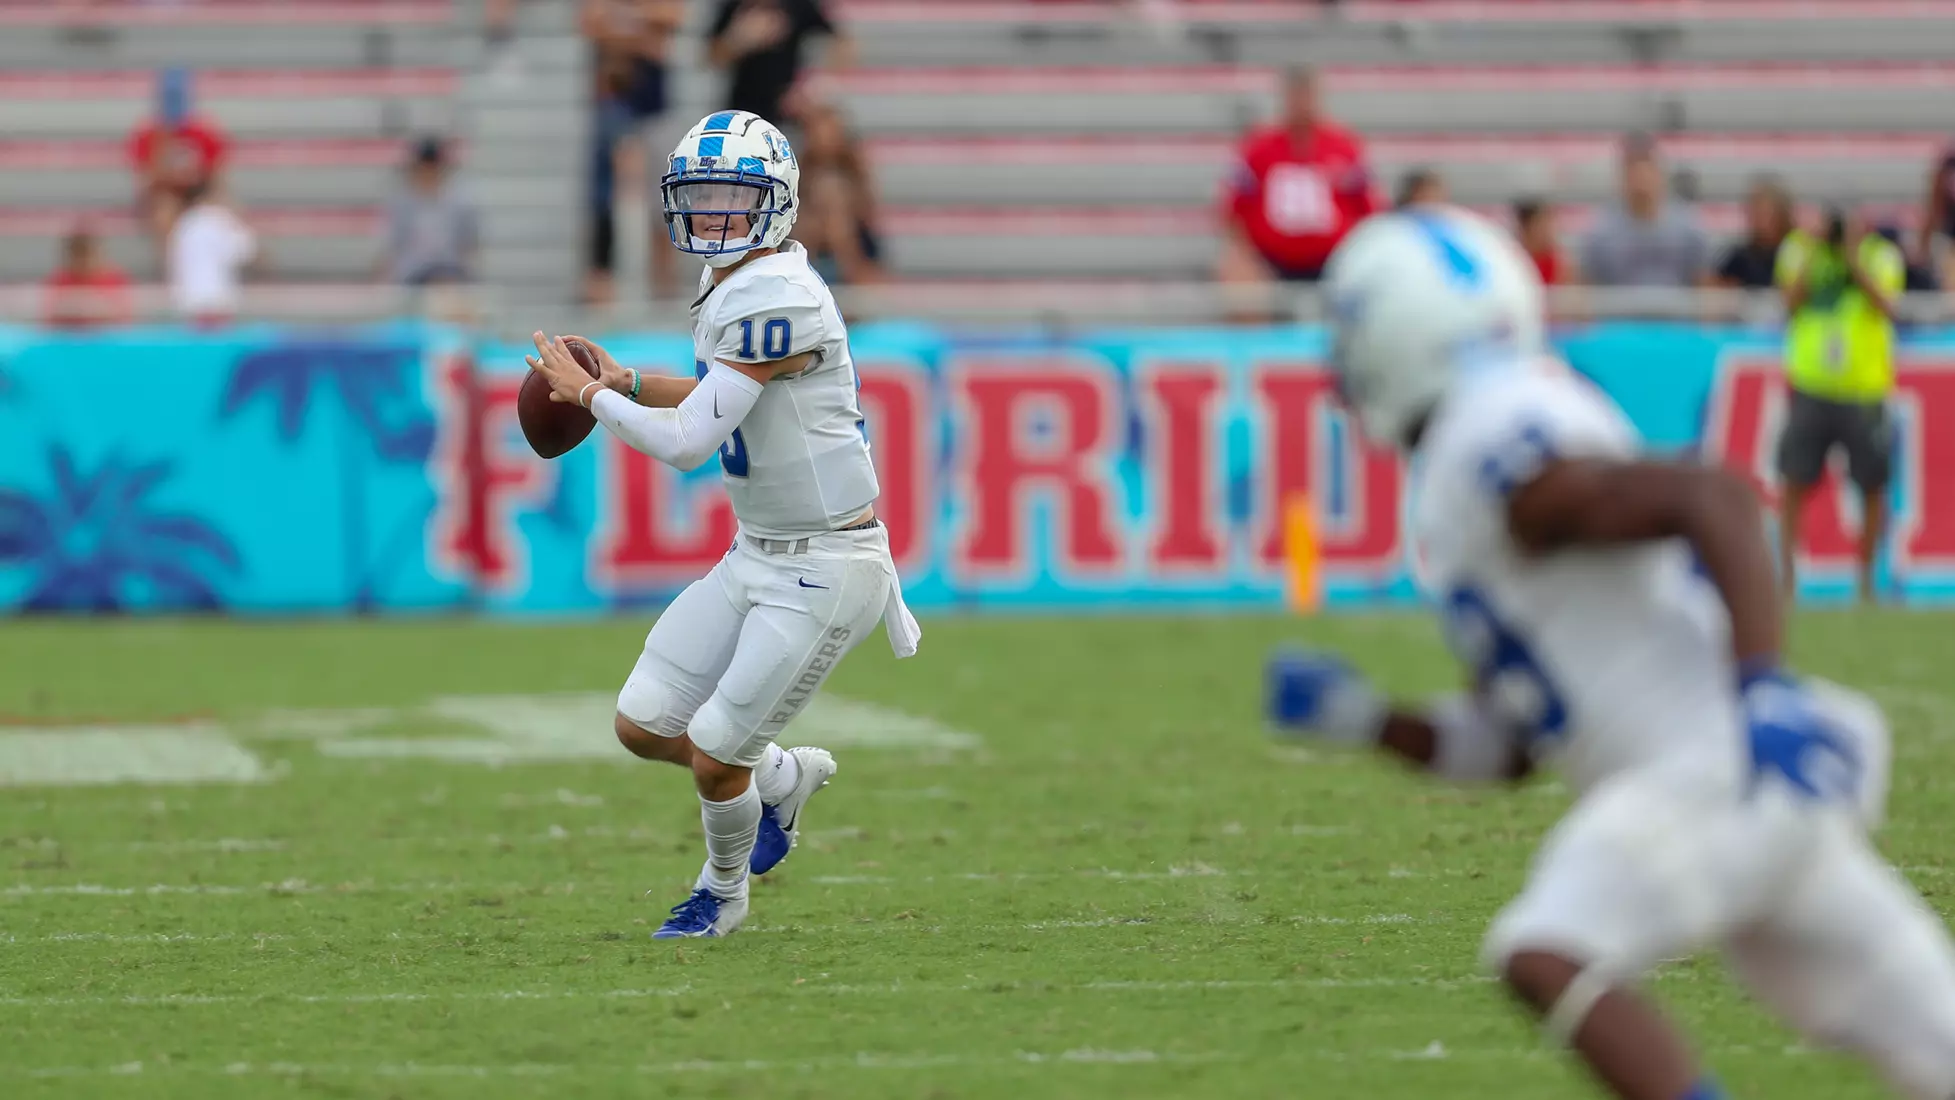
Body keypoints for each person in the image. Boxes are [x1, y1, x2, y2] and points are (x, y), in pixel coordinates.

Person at [1270, 205, 1955, 1100]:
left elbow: (1711, 497)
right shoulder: (1488, 436)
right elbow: (1512, 746)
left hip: (1714, 768)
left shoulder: (1490, 438)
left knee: (1544, 950)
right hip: (1741, 783)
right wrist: (1373, 721)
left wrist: (1762, 689)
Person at [524, 110, 921, 940]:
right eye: (698, 197)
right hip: (756, 554)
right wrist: (626, 379)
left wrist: (591, 395)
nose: (711, 215)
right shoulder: (743, 282)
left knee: (712, 755)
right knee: (643, 722)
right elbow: (712, 395)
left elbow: (689, 444)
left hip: (827, 563)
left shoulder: (777, 298)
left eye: (729, 197)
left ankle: (721, 893)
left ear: (774, 202)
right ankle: (781, 779)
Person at [1775, 203, 1905, 604]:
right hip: (1812, 382)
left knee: (1871, 485)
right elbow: (1789, 302)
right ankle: (1787, 582)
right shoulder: (1799, 249)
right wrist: (1817, 250)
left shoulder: (1880, 255)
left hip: (1863, 388)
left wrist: (1852, 258)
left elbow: (1887, 307)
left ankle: (1865, 584)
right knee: (1794, 482)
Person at [1216, 66, 1381, 298]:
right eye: (1296, 95)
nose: (1302, 104)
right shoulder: (1259, 148)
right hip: (1270, 260)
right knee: (1239, 278)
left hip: (1333, 260)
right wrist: (1245, 255)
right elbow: (1233, 211)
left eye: (1307, 95)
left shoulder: (1344, 147)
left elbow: (1368, 210)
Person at [584, 0, 683, 303]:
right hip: (615, 106)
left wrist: (623, 28)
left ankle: (661, 288)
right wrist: (642, 31)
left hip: (654, 111)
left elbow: (670, 22)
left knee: (663, 203)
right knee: (608, 204)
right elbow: (593, 23)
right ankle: (605, 289)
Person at [1579, 133, 1707, 288]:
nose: (1641, 182)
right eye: (1633, 174)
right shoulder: (1601, 231)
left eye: (1646, 173)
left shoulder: (1688, 226)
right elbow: (1586, 283)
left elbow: (1703, 281)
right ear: (1623, 179)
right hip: (1617, 310)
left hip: (1674, 309)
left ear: (1658, 176)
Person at [128, 67, 228, 256]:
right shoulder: (149, 135)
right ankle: (174, 271)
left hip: (198, 193)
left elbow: (217, 176)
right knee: (165, 213)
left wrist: (197, 184)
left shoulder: (204, 133)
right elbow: (146, 181)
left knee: (219, 210)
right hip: (164, 195)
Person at [708, 0, 852, 126]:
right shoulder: (734, 6)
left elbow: (841, 44)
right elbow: (712, 58)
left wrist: (813, 87)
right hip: (743, 107)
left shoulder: (797, 5)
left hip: (787, 108)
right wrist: (739, 39)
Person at [791, 100, 883, 286]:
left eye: (831, 131)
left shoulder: (854, 173)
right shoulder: (798, 174)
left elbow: (866, 214)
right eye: (819, 131)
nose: (826, 139)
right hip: (811, 252)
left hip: (854, 251)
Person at [383, 137, 479, 287]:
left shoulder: (461, 203)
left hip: (450, 271)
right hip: (412, 274)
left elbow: (469, 245)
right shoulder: (402, 203)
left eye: (432, 168)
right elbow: (394, 246)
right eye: (424, 168)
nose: (428, 173)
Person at [167, 180, 256, 325]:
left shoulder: (183, 223)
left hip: (190, 297)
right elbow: (243, 253)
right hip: (217, 295)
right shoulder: (220, 219)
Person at [41, 223, 133, 330]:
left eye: (89, 254)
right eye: (79, 255)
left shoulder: (116, 279)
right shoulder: (59, 280)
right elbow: (49, 320)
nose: (85, 261)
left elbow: (124, 320)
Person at [1711, 176, 1793, 291]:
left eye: (1764, 213)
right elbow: (1717, 286)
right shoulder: (1740, 258)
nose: (1756, 218)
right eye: (1753, 211)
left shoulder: (1795, 253)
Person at [1513, 197, 1563, 287]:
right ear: (1526, 226)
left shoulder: (1558, 263)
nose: (1548, 228)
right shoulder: (1512, 260)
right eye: (1541, 223)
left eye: (1549, 221)